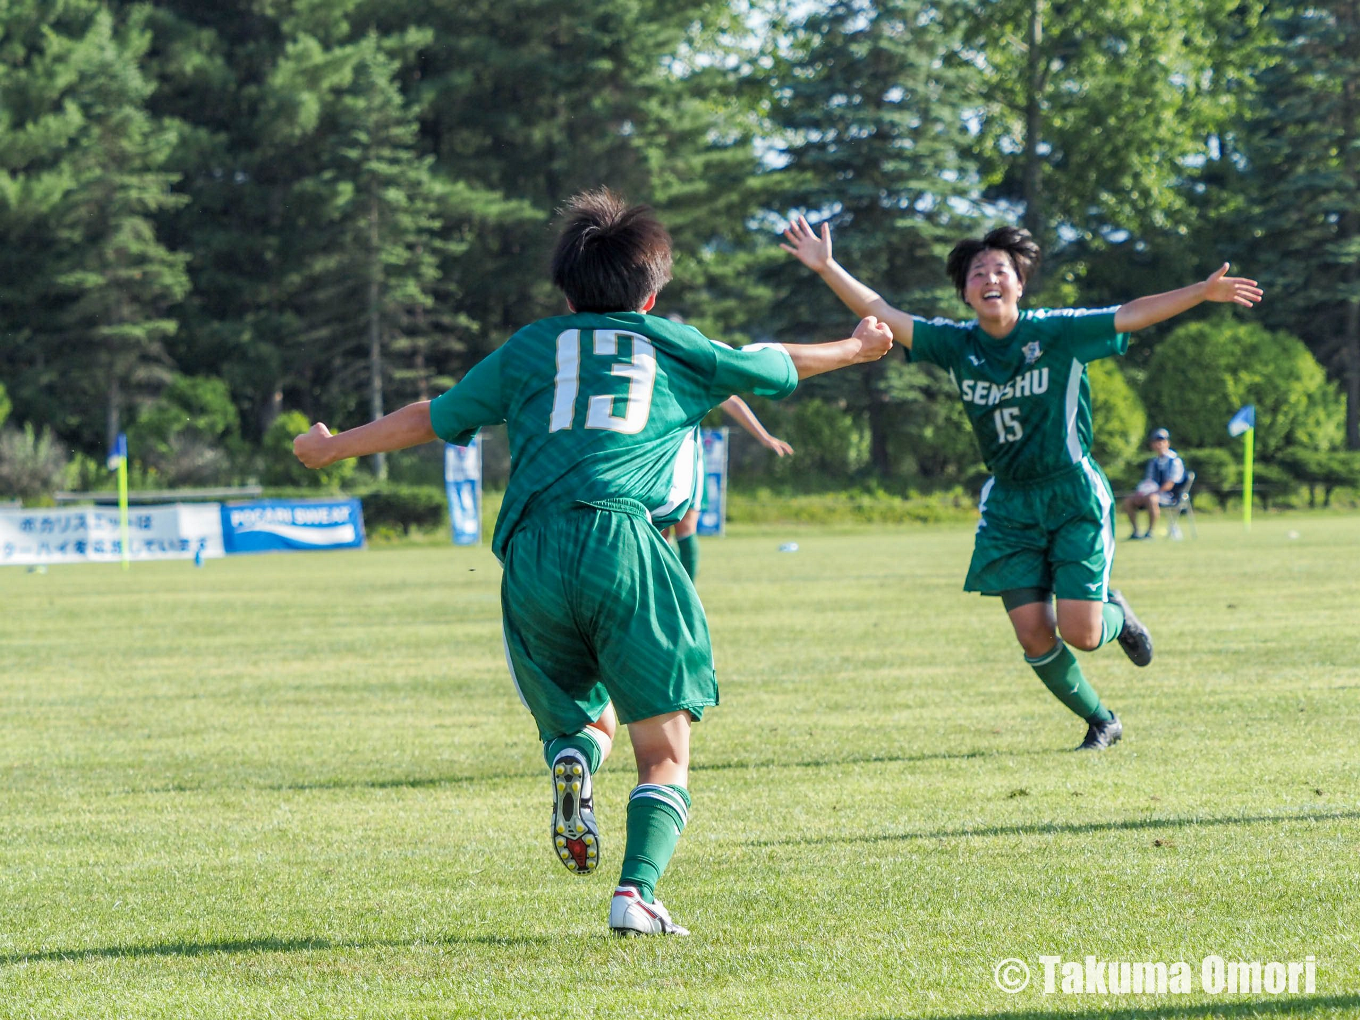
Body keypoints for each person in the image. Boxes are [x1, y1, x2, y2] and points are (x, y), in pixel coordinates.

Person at [294, 190, 895, 936]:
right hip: (622, 543)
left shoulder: (530, 347)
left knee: (587, 716)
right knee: (665, 750)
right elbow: (776, 365)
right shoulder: (671, 343)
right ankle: (636, 892)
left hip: (532, 552)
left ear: (567, 290)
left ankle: (574, 756)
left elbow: (433, 416)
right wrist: (858, 347)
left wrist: (330, 446)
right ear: (650, 292)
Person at [782, 216, 1262, 751]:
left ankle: (1115, 613)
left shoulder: (1057, 331)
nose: (990, 277)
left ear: (1020, 283)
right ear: (965, 292)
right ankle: (1101, 720)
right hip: (1010, 502)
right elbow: (885, 313)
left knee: (1081, 630)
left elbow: (1130, 315)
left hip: (1072, 493)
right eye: (977, 272)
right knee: (1033, 632)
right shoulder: (954, 344)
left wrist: (1202, 292)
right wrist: (827, 267)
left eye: (1001, 269)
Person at [664, 395, 793, 581]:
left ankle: (686, 596)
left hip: (686, 460)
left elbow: (731, 401)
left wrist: (764, 437)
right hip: (654, 458)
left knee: (685, 526)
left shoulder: (695, 369)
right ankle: (663, 593)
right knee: (658, 532)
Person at [1122, 428, 1186, 540]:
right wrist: (1140, 494)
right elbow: (1148, 482)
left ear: (1167, 443)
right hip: (1151, 493)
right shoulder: (1153, 462)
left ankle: (1150, 532)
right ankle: (1136, 532)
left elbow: (1170, 483)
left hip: (1170, 496)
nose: (1159, 444)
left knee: (1152, 499)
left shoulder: (1175, 461)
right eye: (1156, 441)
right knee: (1128, 501)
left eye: (1162, 441)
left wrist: (1153, 493)